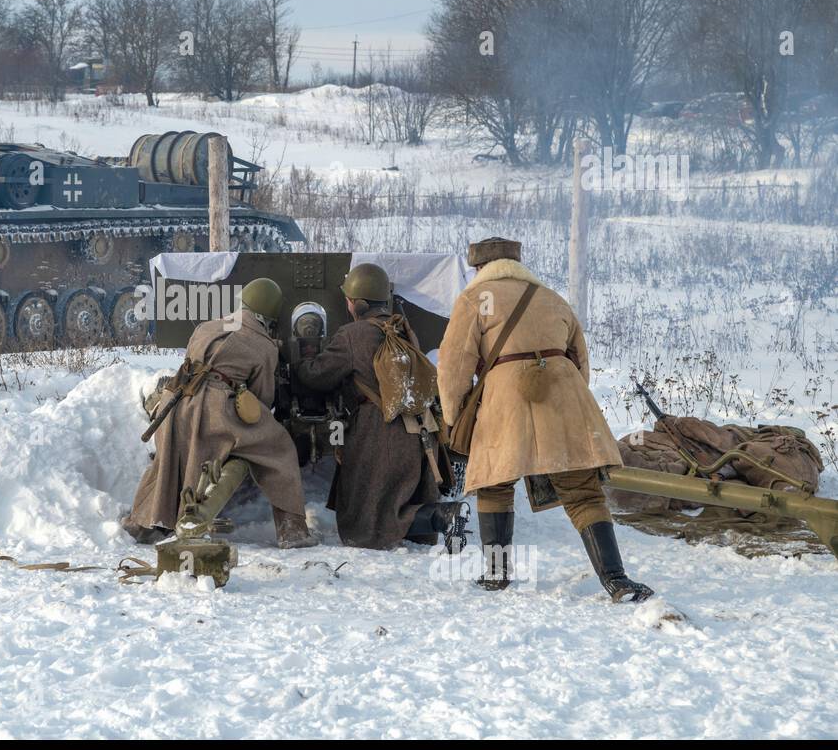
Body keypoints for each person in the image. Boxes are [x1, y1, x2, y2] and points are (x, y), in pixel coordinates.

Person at [437, 237, 653, 601]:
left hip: (504, 400)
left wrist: (453, 415)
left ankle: (496, 574)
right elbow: (580, 360)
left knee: (494, 485)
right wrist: (569, 405)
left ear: (479, 269)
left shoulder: (475, 299)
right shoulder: (551, 297)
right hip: (564, 394)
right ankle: (616, 579)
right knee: (583, 491)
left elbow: (454, 365)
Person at [123, 277, 315, 549]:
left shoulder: (208, 326)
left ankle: (143, 523)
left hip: (174, 403)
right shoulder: (264, 344)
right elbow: (262, 398)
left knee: (167, 459)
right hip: (216, 409)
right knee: (279, 448)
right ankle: (292, 530)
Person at [293, 262, 458, 549]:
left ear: (357, 304)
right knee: (398, 501)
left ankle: (443, 517)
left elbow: (318, 376)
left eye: (348, 300)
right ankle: (436, 516)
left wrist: (304, 357)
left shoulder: (352, 335)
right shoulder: (402, 329)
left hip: (379, 433)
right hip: (417, 430)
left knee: (363, 525)